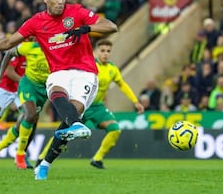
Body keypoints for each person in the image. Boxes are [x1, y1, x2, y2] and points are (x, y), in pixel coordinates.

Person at [0, 0, 117, 170]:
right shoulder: (36, 22)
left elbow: (111, 26)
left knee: (70, 117)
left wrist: (87, 28)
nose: (60, 1)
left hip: (85, 72)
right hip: (58, 72)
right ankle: (74, 126)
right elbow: (8, 43)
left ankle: (45, 163)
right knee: (58, 93)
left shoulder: (77, 12)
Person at [35, 39, 144, 179]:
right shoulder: (87, 66)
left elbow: (122, 84)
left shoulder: (112, 69)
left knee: (115, 129)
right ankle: (42, 158)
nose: (105, 54)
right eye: (102, 51)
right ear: (96, 51)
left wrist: (135, 102)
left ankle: (97, 159)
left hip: (98, 107)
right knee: (65, 131)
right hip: (84, 104)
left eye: (108, 51)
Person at [0, 40, 50, 169]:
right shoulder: (28, 47)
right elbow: (9, 53)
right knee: (30, 114)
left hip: (43, 90)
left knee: (26, 120)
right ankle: (20, 154)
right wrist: (0, 75)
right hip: (27, 85)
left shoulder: (56, 49)